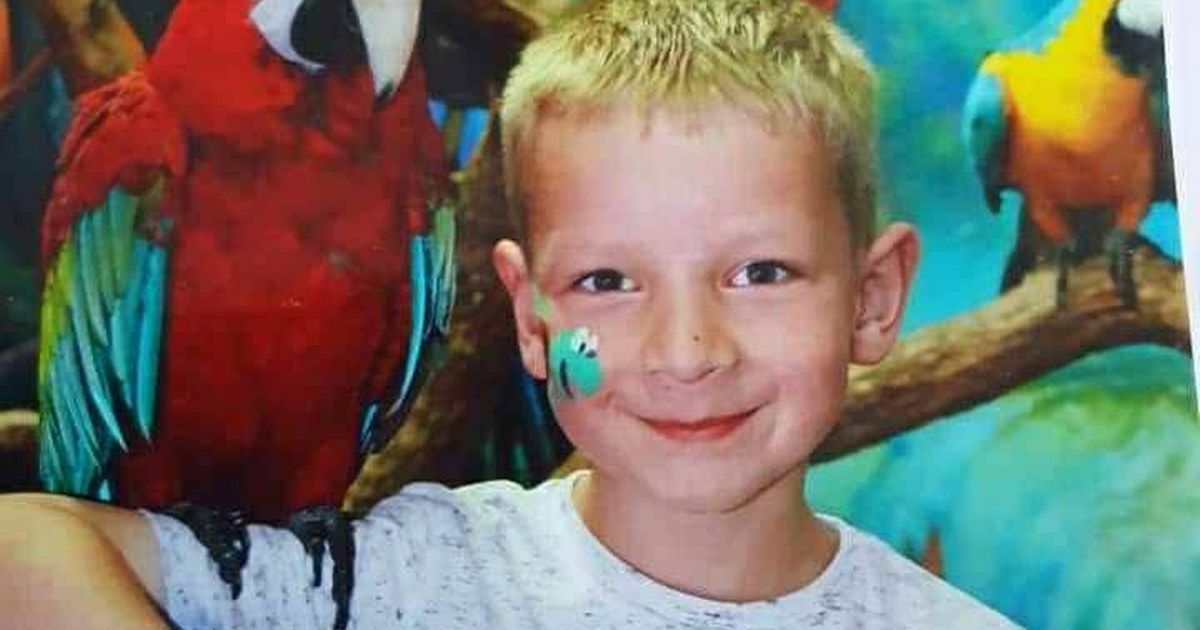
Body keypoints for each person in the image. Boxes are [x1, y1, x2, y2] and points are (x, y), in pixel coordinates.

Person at [0, 1, 1021, 628]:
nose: (689, 350)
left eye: (760, 272)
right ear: (529, 320)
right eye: (608, 283)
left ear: (875, 299)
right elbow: (21, 547)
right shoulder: (402, 575)